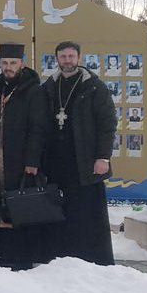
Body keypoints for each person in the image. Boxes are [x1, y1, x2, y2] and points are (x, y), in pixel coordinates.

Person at [40, 41, 116, 265]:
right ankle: (59, 256)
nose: (67, 61)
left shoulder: (94, 86)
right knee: (58, 209)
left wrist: (103, 157)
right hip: (56, 161)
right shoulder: (49, 86)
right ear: (57, 59)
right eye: (62, 57)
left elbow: (107, 123)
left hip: (85, 161)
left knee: (86, 211)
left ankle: (91, 257)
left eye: (71, 56)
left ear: (79, 58)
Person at [0, 43, 50, 269]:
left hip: (22, 158)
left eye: (13, 63)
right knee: (3, 205)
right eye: (5, 63)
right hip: (0, 158)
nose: (8, 67)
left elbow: (38, 127)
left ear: (22, 63)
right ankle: (5, 252)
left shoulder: (33, 89)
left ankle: (23, 256)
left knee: (22, 206)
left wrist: (32, 161)